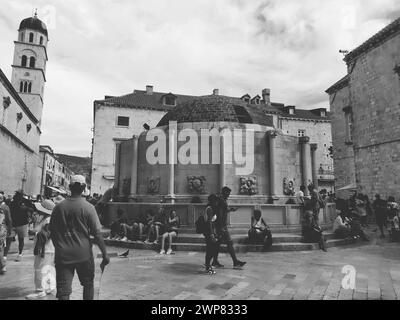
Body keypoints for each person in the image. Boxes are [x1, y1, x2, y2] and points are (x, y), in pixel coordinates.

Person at [50, 175, 109, 300]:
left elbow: (53, 232)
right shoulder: (89, 208)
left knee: (63, 291)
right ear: (83, 188)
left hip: (63, 254)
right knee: (88, 284)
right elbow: (97, 234)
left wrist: (60, 246)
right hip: (84, 254)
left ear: (70, 187)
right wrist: (105, 254)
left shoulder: (58, 208)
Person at [26, 200, 56, 299]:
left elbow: (44, 235)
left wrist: (34, 232)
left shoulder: (48, 220)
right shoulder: (48, 219)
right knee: (48, 269)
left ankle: (40, 290)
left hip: (45, 249)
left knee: (40, 269)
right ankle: (48, 288)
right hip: (49, 249)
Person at [212, 187, 246, 269]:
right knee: (229, 243)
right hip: (222, 226)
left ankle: (215, 261)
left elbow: (224, 210)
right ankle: (235, 262)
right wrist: (221, 227)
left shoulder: (221, 200)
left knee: (218, 244)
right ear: (224, 192)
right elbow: (220, 214)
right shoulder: (222, 200)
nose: (229, 195)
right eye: (228, 193)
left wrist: (231, 209)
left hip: (220, 226)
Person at [10, 190, 33, 262]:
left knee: (21, 239)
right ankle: (4, 256)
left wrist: (26, 208)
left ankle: (20, 254)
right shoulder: (13, 202)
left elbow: (32, 209)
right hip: (13, 223)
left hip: (22, 223)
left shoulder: (26, 201)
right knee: (8, 240)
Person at [203, 194, 219, 274]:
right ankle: (207, 267)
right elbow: (209, 222)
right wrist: (212, 233)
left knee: (211, 249)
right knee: (210, 249)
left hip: (210, 231)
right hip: (209, 231)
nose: (217, 202)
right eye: (216, 201)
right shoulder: (209, 209)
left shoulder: (211, 208)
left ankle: (208, 265)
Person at [0, 194, 12, 275]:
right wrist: (9, 229)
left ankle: (2, 265)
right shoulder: (5, 207)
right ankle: (2, 265)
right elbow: (9, 220)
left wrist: (9, 229)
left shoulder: (4, 208)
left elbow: (8, 220)